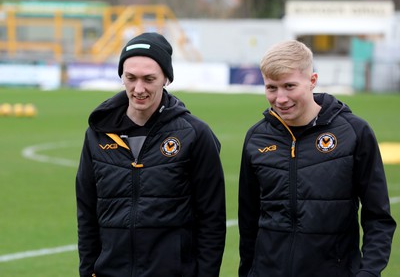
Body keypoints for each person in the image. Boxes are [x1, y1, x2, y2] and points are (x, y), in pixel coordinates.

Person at [238, 40, 396, 277]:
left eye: (289, 86)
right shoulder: (256, 138)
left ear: (312, 81)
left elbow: (378, 217)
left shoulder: (354, 132)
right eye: (271, 88)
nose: (280, 98)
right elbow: (248, 222)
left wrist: (369, 272)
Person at [76, 32, 226, 277]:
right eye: (131, 78)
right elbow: (86, 213)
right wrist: (87, 271)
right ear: (121, 77)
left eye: (149, 79)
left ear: (166, 78)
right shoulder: (97, 135)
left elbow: (212, 220)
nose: (139, 88)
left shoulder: (195, 135)